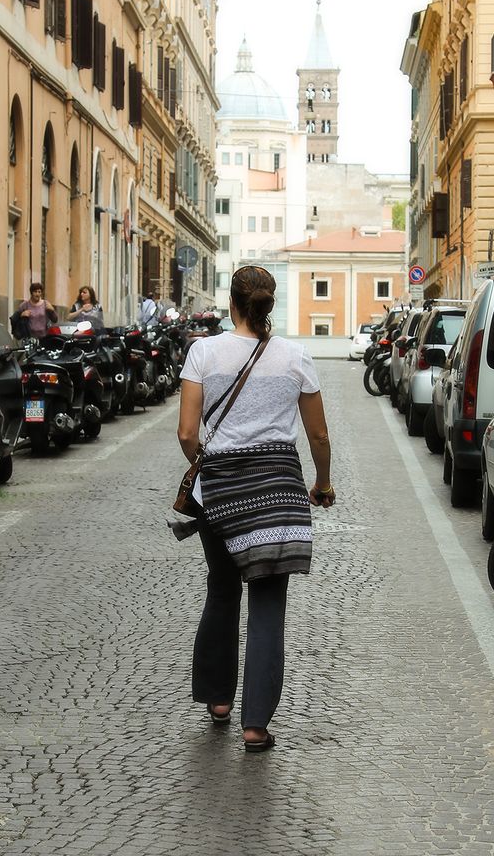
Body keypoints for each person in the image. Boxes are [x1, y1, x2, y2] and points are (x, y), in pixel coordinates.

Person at [177, 265, 334, 754]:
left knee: (222, 591)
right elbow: (318, 435)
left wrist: (214, 467)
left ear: (232, 303)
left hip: (219, 490)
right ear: (270, 304)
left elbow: (187, 433)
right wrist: (322, 482)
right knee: (268, 603)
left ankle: (218, 701)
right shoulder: (295, 357)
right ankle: (255, 725)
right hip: (278, 490)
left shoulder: (204, 352)